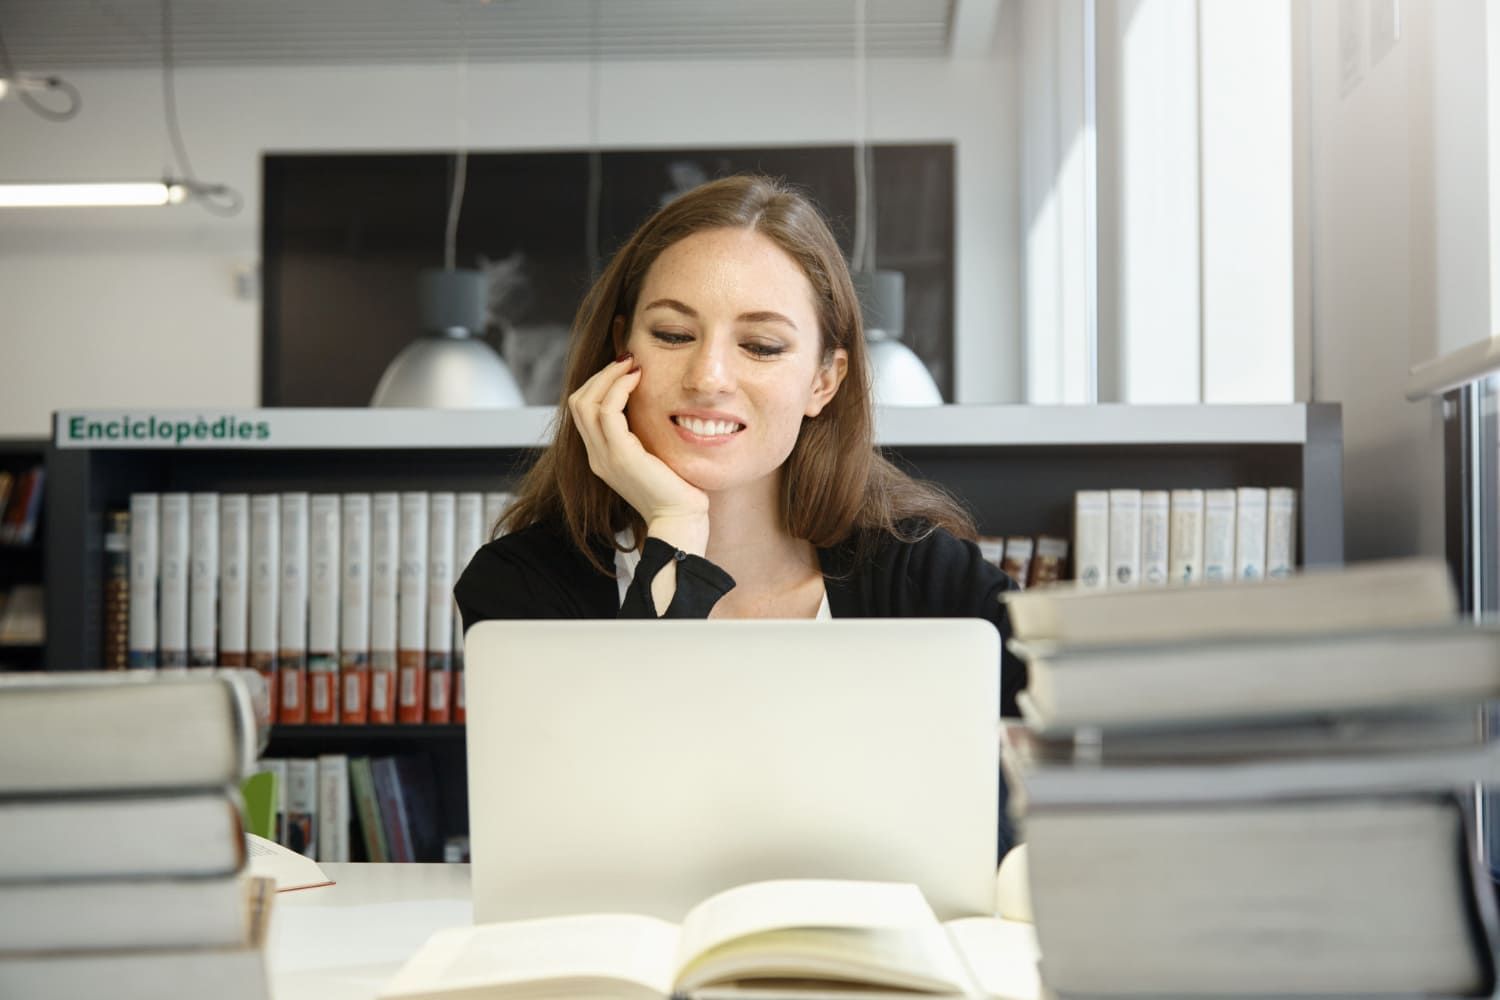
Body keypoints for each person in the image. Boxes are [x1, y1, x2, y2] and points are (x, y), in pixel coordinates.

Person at [453, 174, 1022, 853]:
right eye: (671, 334)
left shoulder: (932, 582)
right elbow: (590, 825)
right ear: (619, 353)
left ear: (824, 380)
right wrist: (675, 535)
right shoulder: (522, 587)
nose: (708, 377)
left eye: (760, 346)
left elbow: (1021, 828)